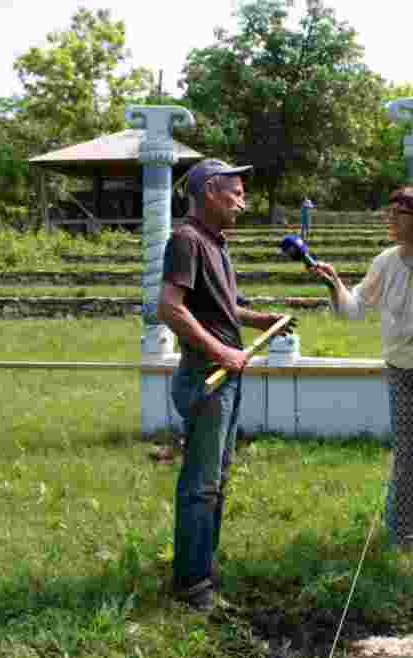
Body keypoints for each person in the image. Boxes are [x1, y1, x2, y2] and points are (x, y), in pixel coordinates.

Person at [158, 158, 294, 610]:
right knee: (201, 483)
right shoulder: (186, 240)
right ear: (212, 191)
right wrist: (222, 353)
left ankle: (203, 568)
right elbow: (171, 309)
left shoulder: (216, 245)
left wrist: (261, 321)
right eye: (236, 192)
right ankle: (190, 584)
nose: (243, 200)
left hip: (226, 379)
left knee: (217, 479)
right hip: (207, 377)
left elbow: (223, 307)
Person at [311, 186, 413, 551]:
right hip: (398, 368)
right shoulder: (385, 261)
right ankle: (401, 536)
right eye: (389, 212)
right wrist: (335, 285)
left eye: (397, 214)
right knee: (405, 453)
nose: (389, 220)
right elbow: (353, 309)